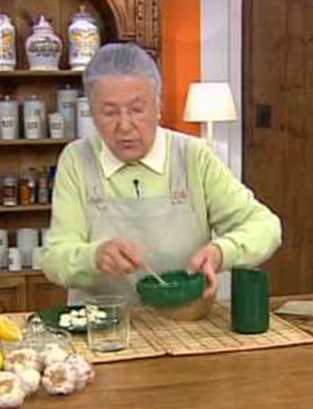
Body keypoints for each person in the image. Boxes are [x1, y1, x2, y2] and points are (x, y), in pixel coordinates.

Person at [44, 43, 282, 314]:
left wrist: (221, 252)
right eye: (109, 112)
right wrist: (94, 257)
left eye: (137, 109)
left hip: (187, 323)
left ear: (158, 106)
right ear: (92, 114)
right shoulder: (76, 159)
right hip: (101, 329)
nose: (124, 125)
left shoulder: (194, 155)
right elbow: (54, 259)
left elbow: (266, 227)